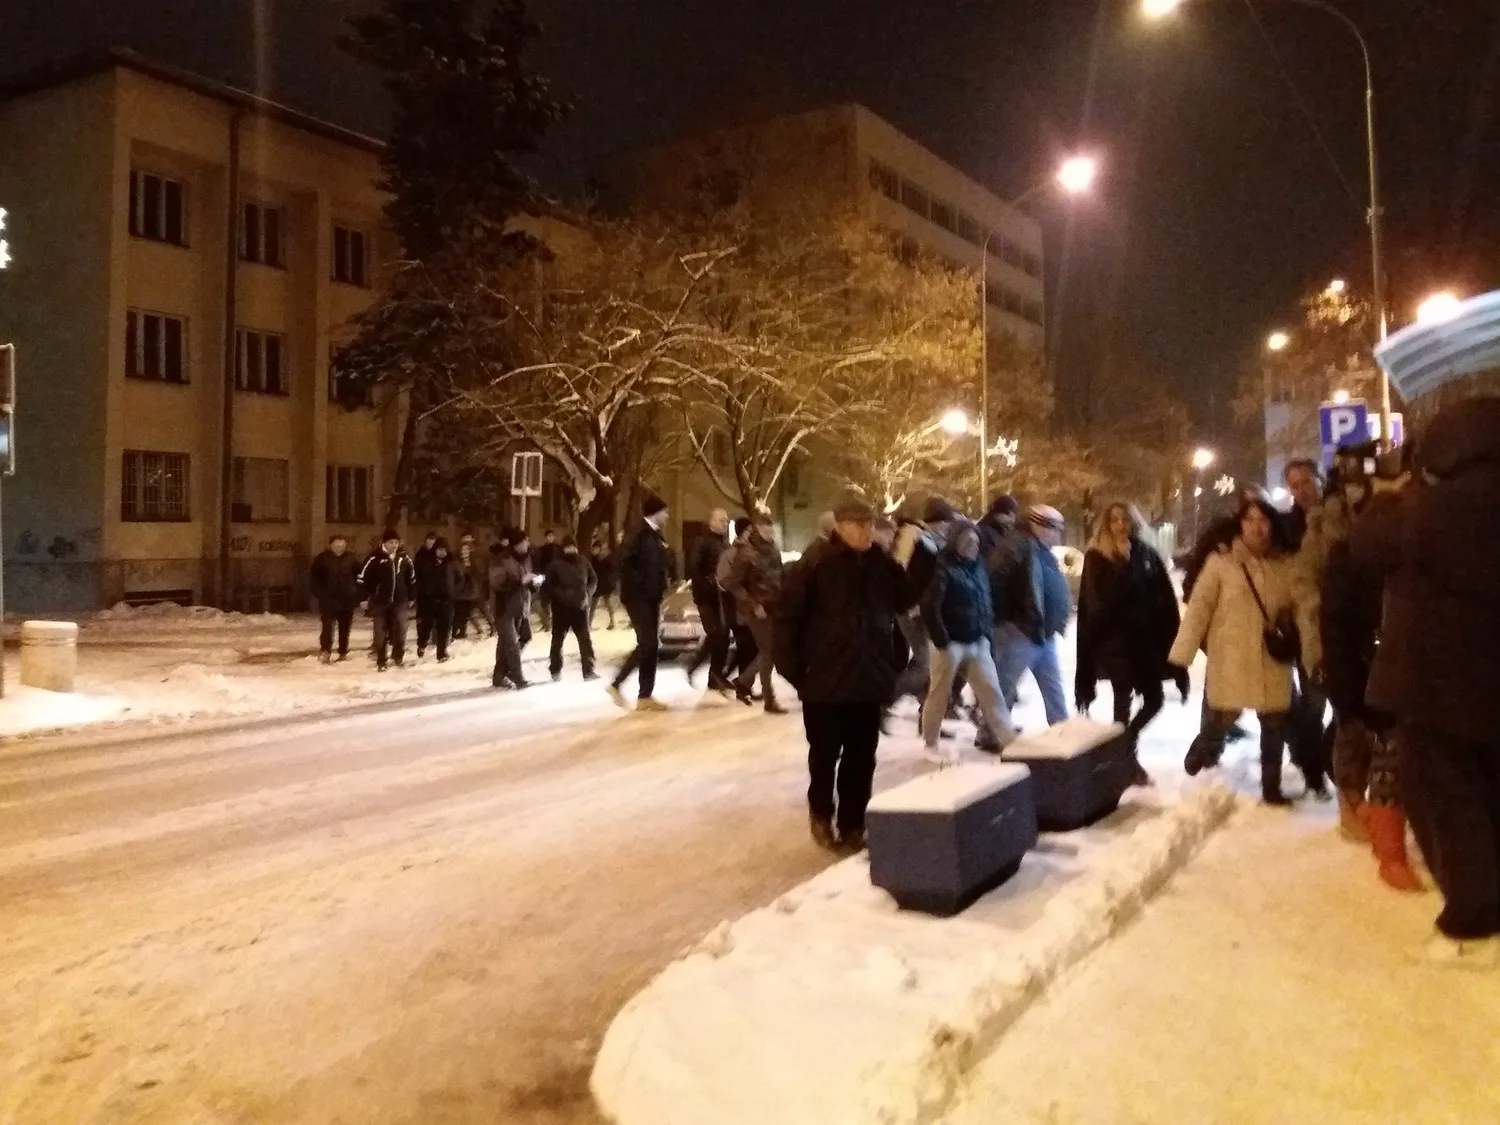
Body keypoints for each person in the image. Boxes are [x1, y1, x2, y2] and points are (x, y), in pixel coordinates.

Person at [1357, 397, 1500, 966]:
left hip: (1436, 685)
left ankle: (1472, 923)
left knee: (1444, 800)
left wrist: (1387, 498)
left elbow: (1366, 546)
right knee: (1490, 793)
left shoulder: (1432, 510)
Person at [776, 495, 912, 853]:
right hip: (825, 683)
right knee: (824, 756)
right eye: (858, 524)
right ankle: (821, 814)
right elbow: (786, 622)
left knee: (861, 757)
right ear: (840, 526)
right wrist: (799, 675)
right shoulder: (815, 563)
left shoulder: (881, 563)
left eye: (870, 524)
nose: (866, 531)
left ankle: (853, 824)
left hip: (868, 679)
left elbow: (907, 599)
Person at [1170, 497, 1317, 804]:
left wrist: (1313, 651)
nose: (1256, 527)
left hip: (1271, 658)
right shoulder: (1220, 563)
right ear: (1240, 525)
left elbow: (1305, 609)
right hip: (1231, 657)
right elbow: (1199, 609)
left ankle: (1271, 787)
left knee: (1274, 724)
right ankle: (1200, 758)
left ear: (1272, 525)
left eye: (1263, 520)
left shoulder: (1286, 565)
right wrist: (1181, 655)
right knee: (1220, 718)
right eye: (1250, 520)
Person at [1318, 453, 1420, 890]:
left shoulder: (1414, 558)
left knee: (1392, 757)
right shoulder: (1349, 556)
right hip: (1372, 671)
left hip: (1402, 673)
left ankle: (1385, 838)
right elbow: (1334, 622)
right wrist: (1342, 681)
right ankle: (1379, 837)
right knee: (1380, 755)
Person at [1075, 504, 1187, 783]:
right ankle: (1125, 761)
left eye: (1125, 520)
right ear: (1106, 525)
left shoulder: (1145, 552)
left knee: (1155, 699)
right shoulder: (1097, 558)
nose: (1121, 525)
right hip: (1115, 644)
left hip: (1145, 642)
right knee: (1122, 701)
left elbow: (1162, 595)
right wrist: (1123, 569)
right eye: (1114, 520)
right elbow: (1100, 606)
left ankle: (1123, 746)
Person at [919, 519, 1017, 765]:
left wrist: (985, 634)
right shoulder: (941, 566)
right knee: (939, 694)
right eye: (967, 541)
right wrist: (941, 639)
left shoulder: (978, 567)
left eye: (975, 541)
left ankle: (1008, 740)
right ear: (956, 542)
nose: (972, 546)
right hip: (950, 644)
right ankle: (930, 742)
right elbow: (930, 606)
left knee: (991, 691)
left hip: (976, 641)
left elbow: (985, 602)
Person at [990, 504, 1071, 726]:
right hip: (1020, 631)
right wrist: (1010, 619)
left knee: (1052, 686)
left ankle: (1061, 726)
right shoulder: (1018, 546)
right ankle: (991, 732)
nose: (1057, 534)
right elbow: (995, 582)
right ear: (1040, 526)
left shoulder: (1037, 548)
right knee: (1006, 684)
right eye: (1054, 528)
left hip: (1040, 631)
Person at [890, 497, 961, 710]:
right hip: (913, 611)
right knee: (925, 665)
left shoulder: (934, 545)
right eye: (947, 523)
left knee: (933, 665)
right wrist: (913, 606)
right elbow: (910, 579)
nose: (949, 529)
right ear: (938, 522)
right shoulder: (922, 544)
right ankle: (884, 700)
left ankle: (928, 713)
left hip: (924, 611)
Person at [610, 495, 673, 712]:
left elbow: (658, 563)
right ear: (655, 512)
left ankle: (645, 696)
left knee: (652, 645)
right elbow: (624, 562)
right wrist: (640, 585)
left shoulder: (655, 535)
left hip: (652, 596)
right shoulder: (637, 532)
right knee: (647, 642)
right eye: (665, 511)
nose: (668, 515)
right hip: (637, 596)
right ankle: (617, 684)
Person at [722, 510, 786, 712]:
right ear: (757, 529)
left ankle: (744, 681)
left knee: (770, 651)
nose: (770, 534)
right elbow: (730, 582)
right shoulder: (746, 553)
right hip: (755, 610)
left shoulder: (773, 549)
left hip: (773, 607)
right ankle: (768, 699)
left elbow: (778, 577)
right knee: (768, 652)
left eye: (771, 530)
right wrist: (753, 604)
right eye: (766, 530)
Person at [686, 509, 733, 691]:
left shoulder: (725, 544)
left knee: (723, 636)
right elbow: (694, 567)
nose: (725, 523)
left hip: (722, 595)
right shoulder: (702, 541)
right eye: (722, 520)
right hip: (706, 596)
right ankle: (694, 667)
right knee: (715, 634)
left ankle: (715, 676)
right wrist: (708, 584)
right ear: (712, 521)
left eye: (727, 521)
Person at [359, 530, 416, 671]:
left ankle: (398, 657)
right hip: (380, 601)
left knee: (401, 629)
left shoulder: (404, 558)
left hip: (400, 601)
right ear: (384, 542)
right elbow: (362, 579)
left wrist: (412, 596)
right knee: (380, 633)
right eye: (391, 542)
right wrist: (363, 598)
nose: (394, 545)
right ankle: (381, 661)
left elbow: (412, 578)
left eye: (396, 542)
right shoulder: (374, 558)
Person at [545, 536, 598, 681]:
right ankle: (555, 670)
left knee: (585, 639)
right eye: (568, 547)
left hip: (580, 608)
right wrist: (562, 597)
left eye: (573, 547)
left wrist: (588, 593)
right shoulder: (555, 565)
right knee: (558, 640)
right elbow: (549, 585)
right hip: (561, 609)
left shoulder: (583, 561)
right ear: (564, 549)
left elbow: (593, 579)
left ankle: (589, 670)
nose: (571, 550)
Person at [490, 529, 533, 689]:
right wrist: (520, 582)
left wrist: (533, 583)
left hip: (520, 606)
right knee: (511, 643)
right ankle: (518, 677)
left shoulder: (526, 559)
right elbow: (496, 582)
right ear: (517, 544)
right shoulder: (503, 559)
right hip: (503, 607)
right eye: (525, 541)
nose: (528, 544)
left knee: (510, 643)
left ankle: (499, 675)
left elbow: (526, 580)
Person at [309, 533, 362, 663]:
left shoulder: (352, 559)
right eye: (337, 546)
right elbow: (314, 578)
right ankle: (325, 650)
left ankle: (343, 650)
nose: (339, 548)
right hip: (328, 599)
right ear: (330, 545)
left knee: (345, 627)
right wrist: (319, 593)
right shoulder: (322, 559)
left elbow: (360, 576)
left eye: (342, 546)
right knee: (327, 626)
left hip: (347, 599)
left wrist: (356, 593)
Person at [414, 536, 457, 662]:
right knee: (427, 626)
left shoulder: (452, 563)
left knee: (444, 627)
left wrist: (454, 591)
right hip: (430, 601)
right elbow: (420, 580)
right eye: (440, 549)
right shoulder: (427, 562)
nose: (442, 552)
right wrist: (424, 593)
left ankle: (441, 653)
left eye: (444, 550)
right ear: (435, 550)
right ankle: (422, 643)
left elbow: (460, 578)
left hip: (447, 601)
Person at [451, 535, 494, 640]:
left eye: (466, 550)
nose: (464, 552)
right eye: (463, 550)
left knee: (482, 609)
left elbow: (480, 572)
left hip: (475, 589)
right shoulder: (460, 560)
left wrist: (468, 569)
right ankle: (473, 630)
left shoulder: (475, 559)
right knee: (469, 611)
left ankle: (492, 626)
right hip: (466, 591)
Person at [1283, 458, 1323, 550]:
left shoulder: (1336, 514)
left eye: (1306, 483)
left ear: (1318, 481)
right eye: (1295, 486)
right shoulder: (1286, 528)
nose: (1301, 491)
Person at [412, 531, 441, 656]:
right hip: (423, 593)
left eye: (433, 541)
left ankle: (436, 641)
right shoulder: (420, 555)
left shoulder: (439, 556)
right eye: (429, 541)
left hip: (437, 593)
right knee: (423, 618)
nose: (430, 544)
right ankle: (422, 641)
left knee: (437, 618)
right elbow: (416, 573)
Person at [532, 530, 560, 632]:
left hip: (556, 578)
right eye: (548, 536)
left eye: (552, 536)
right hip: (545, 577)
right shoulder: (542, 549)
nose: (550, 538)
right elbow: (538, 563)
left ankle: (553, 623)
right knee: (544, 601)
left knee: (555, 602)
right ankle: (547, 623)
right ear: (545, 537)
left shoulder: (558, 548)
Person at [590, 536, 619, 630]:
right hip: (597, 585)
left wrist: (611, 581)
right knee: (593, 605)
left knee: (607, 603)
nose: (594, 550)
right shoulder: (593, 559)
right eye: (594, 549)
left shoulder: (606, 558)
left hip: (605, 584)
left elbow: (612, 570)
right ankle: (589, 623)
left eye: (596, 548)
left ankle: (612, 621)